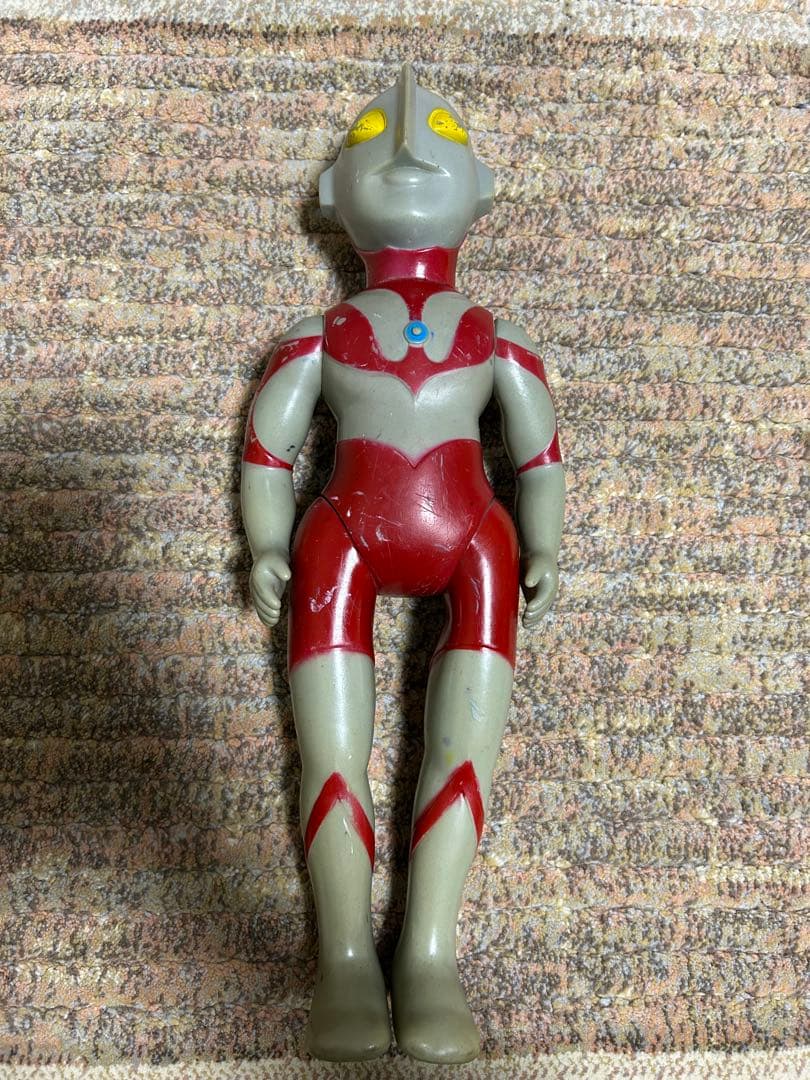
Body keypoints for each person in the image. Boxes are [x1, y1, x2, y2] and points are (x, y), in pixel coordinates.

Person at [241, 62, 565, 1064]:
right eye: (374, 133)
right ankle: (344, 959)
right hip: (339, 538)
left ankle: (429, 955)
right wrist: (265, 542)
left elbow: (540, 457)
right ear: (332, 194)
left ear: (483, 190)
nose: (412, 136)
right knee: (329, 758)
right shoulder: (319, 338)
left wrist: (545, 543)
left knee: (464, 758)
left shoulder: (500, 341)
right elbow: (268, 451)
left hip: (478, 548)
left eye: (443, 132)